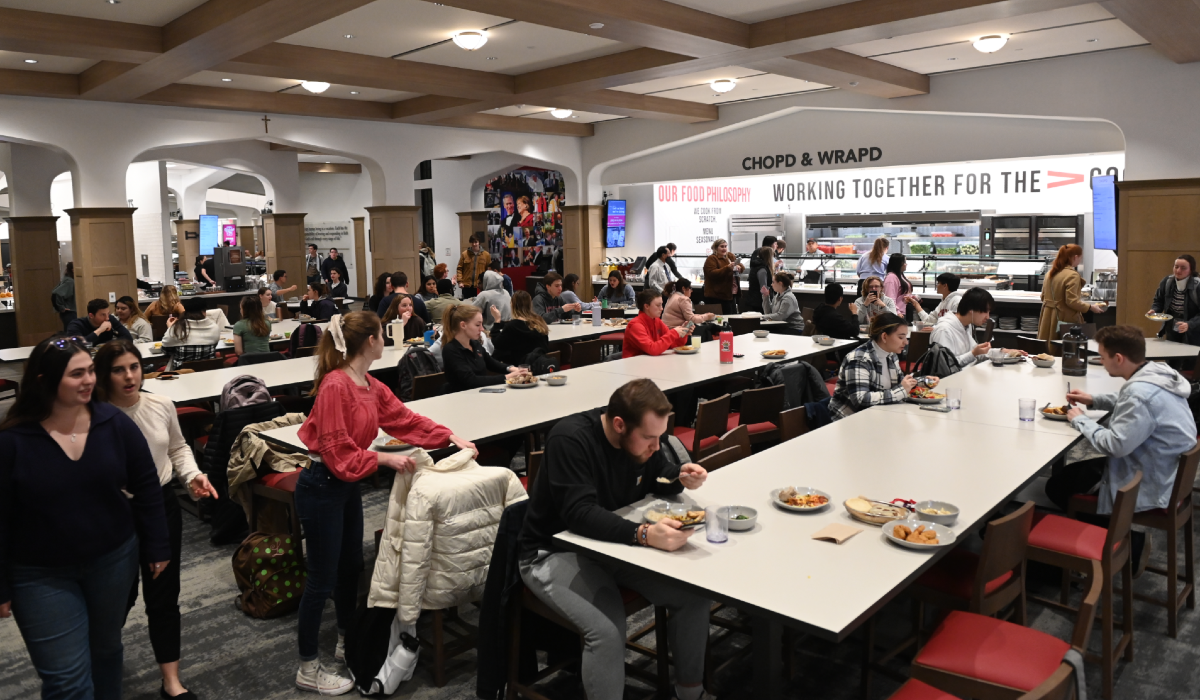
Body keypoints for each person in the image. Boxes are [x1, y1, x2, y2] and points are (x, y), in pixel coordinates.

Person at [294, 311, 476, 694]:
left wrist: (448, 437)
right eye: (381, 333)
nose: (386, 339)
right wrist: (381, 458)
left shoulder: (368, 384)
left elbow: (404, 419)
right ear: (370, 342)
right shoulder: (335, 386)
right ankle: (307, 666)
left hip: (343, 485)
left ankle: (346, 640)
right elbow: (335, 450)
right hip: (322, 485)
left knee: (349, 569)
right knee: (321, 580)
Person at [518, 379, 712, 700]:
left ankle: (691, 694)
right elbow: (579, 513)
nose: (655, 445)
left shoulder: (636, 441)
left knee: (693, 595)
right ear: (620, 424)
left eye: (660, 436)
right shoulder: (570, 440)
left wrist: (678, 476)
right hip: (551, 551)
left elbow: (656, 471)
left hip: (608, 544)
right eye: (649, 437)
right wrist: (644, 534)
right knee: (607, 632)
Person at [0, 335, 170, 699]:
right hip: (39, 573)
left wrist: (157, 544)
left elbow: (146, 486)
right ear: (45, 381)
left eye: (91, 371)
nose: (90, 380)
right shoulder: (14, 441)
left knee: (106, 650)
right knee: (67, 679)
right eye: (77, 374)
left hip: (112, 559)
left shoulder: (114, 423)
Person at [94, 341, 218, 700]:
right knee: (119, 594)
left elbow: (177, 448)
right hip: (113, 512)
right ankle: (99, 659)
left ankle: (171, 681)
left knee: (164, 595)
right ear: (105, 374)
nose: (129, 376)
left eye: (134, 366)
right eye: (119, 369)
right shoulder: (95, 414)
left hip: (160, 505)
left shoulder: (160, 404)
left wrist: (192, 474)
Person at [1048, 325, 1198, 571]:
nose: (1101, 362)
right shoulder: (1157, 372)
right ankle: (1110, 541)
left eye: (1103, 357)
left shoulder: (1139, 394)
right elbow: (1130, 403)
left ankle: (1119, 547)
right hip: (1164, 468)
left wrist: (1079, 419)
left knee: (1057, 486)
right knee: (1070, 476)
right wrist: (1094, 399)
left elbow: (1115, 445)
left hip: (1145, 477)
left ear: (1118, 358)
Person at [830, 313, 926, 420]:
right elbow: (861, 399)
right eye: (901, 337)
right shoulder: (859, 359)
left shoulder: (891, 355)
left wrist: (924, 382)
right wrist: (901, 391)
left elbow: (901, 383)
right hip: (850, 419)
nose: (906, 342)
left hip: (878, 415)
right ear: (884, 336)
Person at [440, 304, 526, 393]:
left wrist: (513, 369)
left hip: (479, 394)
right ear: (463, 325)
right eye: (478, 325)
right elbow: (471, 381)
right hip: (461, 399)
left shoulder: (475, 344)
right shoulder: (450, 350)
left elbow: (492, 363)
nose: (482, 329)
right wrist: (508, 377)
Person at [1038, 244, 1104, 340]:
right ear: (1075, 257)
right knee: (1065, 348)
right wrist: (1090, 307)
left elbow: (1042, 297)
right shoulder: (1072, 275)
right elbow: (1072, 301)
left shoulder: (1050, 273)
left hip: (1047, 317)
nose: (1080, 260)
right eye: (1080, 258)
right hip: (1063, 317)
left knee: (1048, 348)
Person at [929, 287, 993, 371]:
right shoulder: (944, 330)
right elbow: (945, 365)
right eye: (985, 311)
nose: (987, 317)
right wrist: (973, 353)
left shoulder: (965, 325)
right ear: (971, 310)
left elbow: (978, 352)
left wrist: (1003, 352)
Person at [1148, 254, 1200, 345]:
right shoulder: (1167, 281)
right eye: (1176, 267)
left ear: (1191, 270)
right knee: (1171, 355)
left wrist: (1190, 324)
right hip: (1172, 326)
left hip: (1193, 330)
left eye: (1183, 268)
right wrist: (1154, 310)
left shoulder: (1197, 285)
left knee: (1189, 357)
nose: (1178, 270)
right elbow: (1159, 300)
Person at [624, 289, 690, 358]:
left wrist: (682, 333)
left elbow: (672, 345)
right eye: (658, 305)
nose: (661, 308)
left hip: (650, 363)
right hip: (634, 365)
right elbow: (652, 349)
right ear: (646, 306)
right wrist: (674, 333)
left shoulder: (657, 321)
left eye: (661, 305)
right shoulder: (635, 325)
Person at [161, 297, 223, 369]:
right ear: (203, 311)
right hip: (208, 373)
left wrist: (170, 328)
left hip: (181, 376)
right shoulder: (214, 327)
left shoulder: (177, 328)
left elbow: (165, 350)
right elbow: (214, 346)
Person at [493, 291, 550, 366]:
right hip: (540, 365)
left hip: (520, 368)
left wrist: (497, 321)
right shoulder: (539, 321)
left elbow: (497, 344)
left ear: (512, 305)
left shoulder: (512, 326)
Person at [66, 298, 134, 345]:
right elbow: (78, 345)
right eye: (103, 315)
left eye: (108, 313)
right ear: (91, 315)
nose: (107, 318)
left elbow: (128, 338)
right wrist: (100, 330)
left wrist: (108, 345)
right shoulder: (76, 325)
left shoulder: (110, 319)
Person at [702, 238, 743, 315]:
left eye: (725, 246)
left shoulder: (730, 256)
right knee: (722, 318)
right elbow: (712, 273)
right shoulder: (712, 259)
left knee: (732, 316)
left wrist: (739, 267)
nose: (724, 248)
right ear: (716, 248)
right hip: (717, 295)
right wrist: (727, 268)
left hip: (731, 293)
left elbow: (740, 266)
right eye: (722, 246)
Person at [456, 233, 493, 298]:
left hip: (480, 286)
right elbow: (459, 268)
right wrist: (460, 281)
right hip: (467, 285)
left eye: (476, 242)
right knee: (467, 305)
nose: (474, 244)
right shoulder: (465, 254)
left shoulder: (486, 255)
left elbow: (489, 270)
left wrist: (487, 283)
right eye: (472, 242)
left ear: (479, 242)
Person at [883, 253, 914, 319]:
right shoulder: (891, 278)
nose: (906, 264)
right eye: (904, 262)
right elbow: (890, 298)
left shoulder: (900, 275)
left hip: (905, 312)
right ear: (898, 263)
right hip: (898, 315)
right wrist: (897, 312)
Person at [746, 245, 775, 313]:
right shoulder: (762, 270)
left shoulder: (756, 266)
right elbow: (763, 288)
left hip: (755, 300)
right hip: (759, 302)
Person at [51, 261, 76, 330]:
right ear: (73, 270)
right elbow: (56, 293)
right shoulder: (70, 281)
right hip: (71, 313)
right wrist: (61, 307)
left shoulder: (69, 279)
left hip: (70, 312)